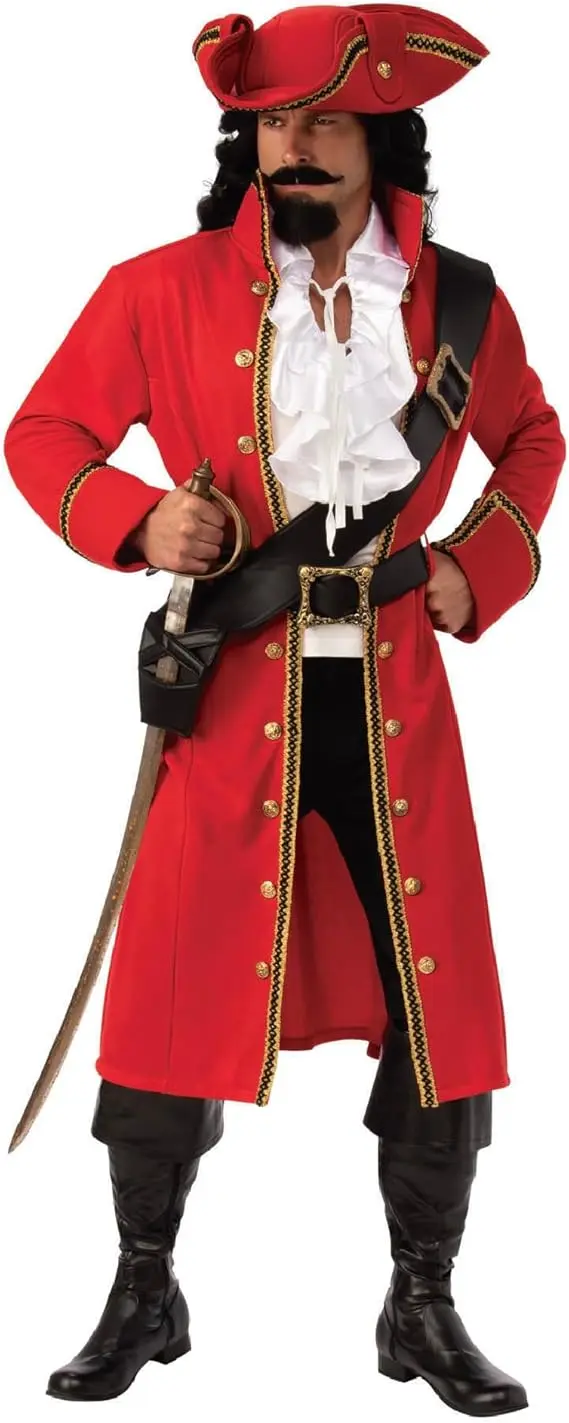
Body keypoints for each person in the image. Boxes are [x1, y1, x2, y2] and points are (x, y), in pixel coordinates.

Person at [4, 3, 565, 1414]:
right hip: (231, 691)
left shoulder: (461, 305)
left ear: (381, 139)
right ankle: (145, 1289)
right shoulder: (158, 289)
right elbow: (44, 433)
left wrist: (478, 564)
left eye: (323, 122)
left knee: (434, 998)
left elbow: (532, 439)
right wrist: (141, 520)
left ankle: (422, 1305)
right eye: (271, 123)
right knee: (171, 988)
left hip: (395, 701)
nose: (293, 147)